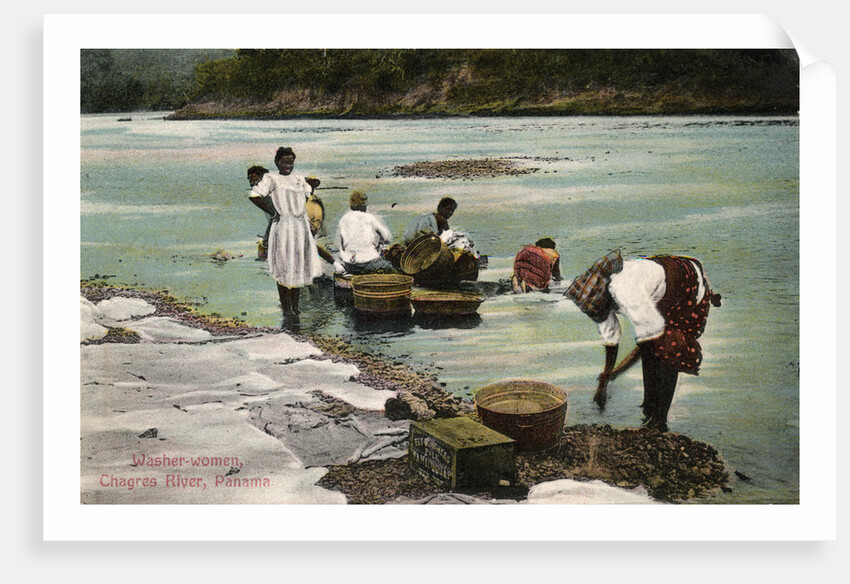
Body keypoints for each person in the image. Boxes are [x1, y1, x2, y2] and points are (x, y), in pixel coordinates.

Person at [565, 251, 722, 431]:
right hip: (655, 288)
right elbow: (611, 342)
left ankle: (659, 420)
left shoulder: (626, 293)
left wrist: (615, 372)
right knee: (653, 348)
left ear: (604, 298)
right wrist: (604, 382)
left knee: (668, 348)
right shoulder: (598, 297)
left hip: (684, 282)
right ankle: (649, 411)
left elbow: (649, 341)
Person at [248, 147, 324, 322]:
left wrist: (301, 204)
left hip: (300, 225)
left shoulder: (298, 179)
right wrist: (274, 212)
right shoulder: (271, 178)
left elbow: (309, 191)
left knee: (298, 266)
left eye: (290, 162)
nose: (287, 165)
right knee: (283, 265)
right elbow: (254, 195)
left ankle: (295, 308)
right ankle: (286, 309)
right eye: (284, 162)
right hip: (283, 225)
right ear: (277, 163)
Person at [336, 190, 396, 275]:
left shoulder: (343, 219)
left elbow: (342, 245)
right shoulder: (369, 218)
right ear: (364, 205)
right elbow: (387, 237)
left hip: (350, 264)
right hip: (369, 262)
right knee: (391, 269)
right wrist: (380, 242)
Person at [246, 165, 274, 260]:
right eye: (250, 180)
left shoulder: (268, 191)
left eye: (255, 179)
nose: (252, 183)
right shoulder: (259, 192)